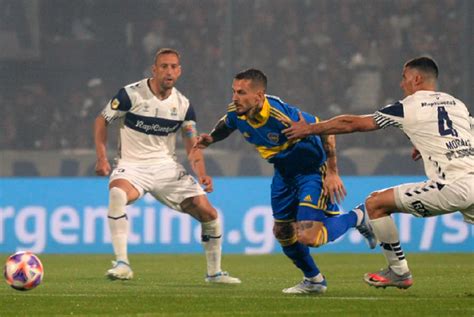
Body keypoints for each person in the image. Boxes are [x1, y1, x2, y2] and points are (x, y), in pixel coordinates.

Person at [283, 56, 474, 289]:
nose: (402, 84)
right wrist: (426, 145)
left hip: (453, 185)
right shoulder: (456, 104)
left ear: (416, 78)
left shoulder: (407, 107)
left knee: (375, 204)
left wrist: (309, 129)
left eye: (404, 78)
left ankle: (399, 272)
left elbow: (352, 124)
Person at [195, 68, 376, 294]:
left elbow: (326, 130)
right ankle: (314, 280)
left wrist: (332, 172)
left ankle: (358, 217)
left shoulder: (281, 116)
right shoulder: (237, 112)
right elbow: (226, 125)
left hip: (312, 171)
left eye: (241, 92)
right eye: (233, 91)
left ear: (259, 96)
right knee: (282, 232)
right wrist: (211, 138)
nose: (234, 98)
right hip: (283, 174)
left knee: (309, 237)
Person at [94, 48, 240, 284]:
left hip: (166, 168)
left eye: (173, 66)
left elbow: (193, 145)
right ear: (154, 70)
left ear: (179, 71)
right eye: (164, 66)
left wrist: (202, 174)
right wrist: (101, 157)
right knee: (117, 194)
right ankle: (122, 264)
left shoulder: (183, 106)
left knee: (210, 214)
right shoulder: (130, 95)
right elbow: (102, 120)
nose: (168, 71)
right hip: (132, 166)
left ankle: (214, 273)